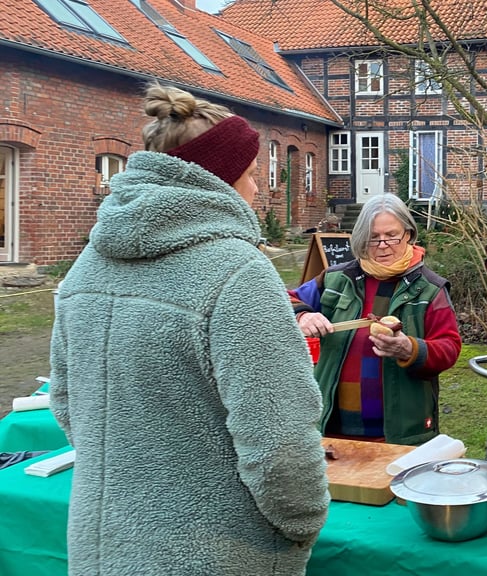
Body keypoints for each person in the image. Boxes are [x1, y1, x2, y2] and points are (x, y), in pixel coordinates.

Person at [48, 83, 330, 575]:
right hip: (213, 551)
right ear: (219, 180)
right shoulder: (237, 272)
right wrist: (302, 522)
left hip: (102, 544)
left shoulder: (85, 267)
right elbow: (279, 442)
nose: (259, 189)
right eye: (250, 175)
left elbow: (68, 403)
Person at [290, 193, 462, 445]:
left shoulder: (429, 289)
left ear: (408, 234)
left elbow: (450, 347)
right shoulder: (337, 279)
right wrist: (303, 315)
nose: (383, 244)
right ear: (361, 238)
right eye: (373, 237)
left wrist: (410, 349)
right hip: (332, 427)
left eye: (392, 235)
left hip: (401, 432)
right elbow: (283, 299)